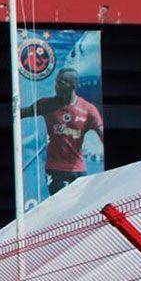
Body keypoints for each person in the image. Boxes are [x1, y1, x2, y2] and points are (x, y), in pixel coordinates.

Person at [27, 65, 105, 195]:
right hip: (55, 168)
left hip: (78, 168)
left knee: (81, 204)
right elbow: (22, 113)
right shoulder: (46, 104)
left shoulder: (88, 110)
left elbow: (102, 134)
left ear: (73, 86)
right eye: (56, 82)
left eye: (60, 83)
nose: (56, 86)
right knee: (57, 203)